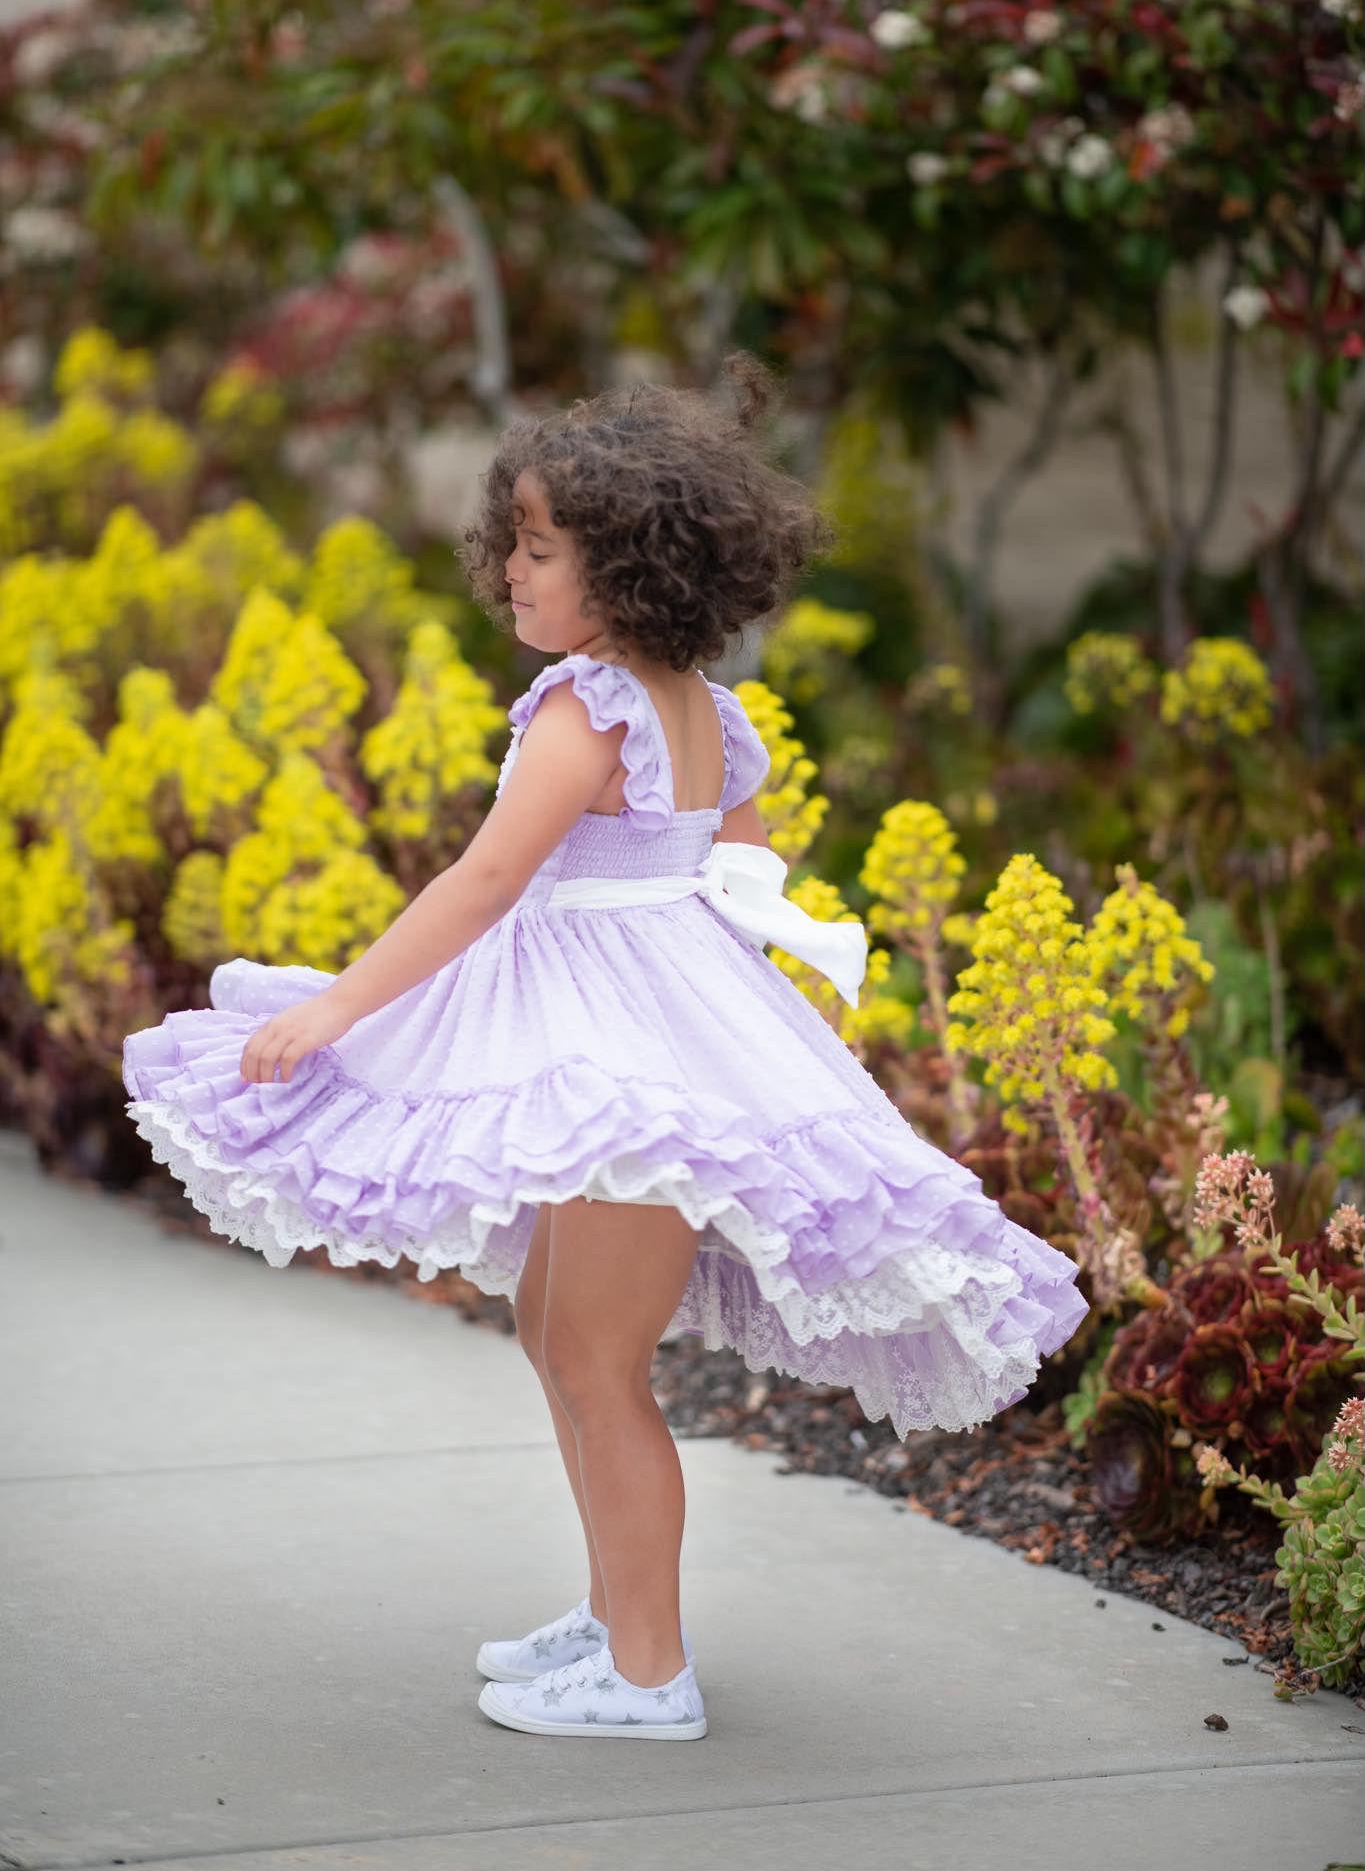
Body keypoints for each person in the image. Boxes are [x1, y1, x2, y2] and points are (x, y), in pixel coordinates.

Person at [122, 351, 1089, 1744]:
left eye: (539, 550)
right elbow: (738, 875)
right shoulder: (707, 708)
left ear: (631, 568)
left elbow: (485, 880)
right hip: (647, 1030)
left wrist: (342, 1005)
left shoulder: (588, 708)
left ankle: (648, 1674)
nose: (511, 573)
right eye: (510, 545)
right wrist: (761, 1021)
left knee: (596, 1362)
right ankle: (612, 1617)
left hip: (627, 1065)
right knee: (554, 1332)